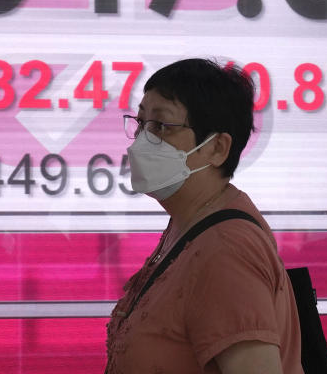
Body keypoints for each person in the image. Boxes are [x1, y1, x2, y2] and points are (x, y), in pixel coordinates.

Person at [105, 58, 303, 374]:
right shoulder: (189, 223)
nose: (143, 141)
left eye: (161, 126)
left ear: (216, 149)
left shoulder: (227, 249)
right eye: (141, 123)